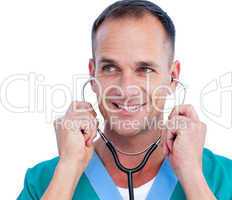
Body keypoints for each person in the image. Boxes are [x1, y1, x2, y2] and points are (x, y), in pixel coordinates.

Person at [17, 0, 232, 199]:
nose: (126, 88)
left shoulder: (222, 177)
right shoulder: (44, 181)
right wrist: (68, 169)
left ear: (173, 76)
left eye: (145, 69)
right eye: (110, 68)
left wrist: (192, 175)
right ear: (93, 74)